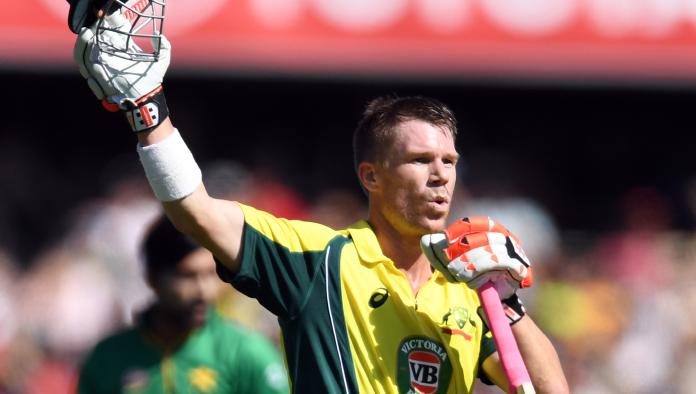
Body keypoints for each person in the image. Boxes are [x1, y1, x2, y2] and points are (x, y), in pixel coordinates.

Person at [71, 9, 568, 393]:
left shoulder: (468, 288)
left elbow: (546, 388)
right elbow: (194, 210)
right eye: (420, 160)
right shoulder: (317, 258)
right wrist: (147, 111)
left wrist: (508, 305)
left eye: (450, 161)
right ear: (370, 176)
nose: (440, 176)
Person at [76, 216, 290, 394]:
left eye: (211, 274)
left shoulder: (246, 353)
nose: (205, 291)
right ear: (152, 277)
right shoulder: (107, 358)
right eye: (187, 276)